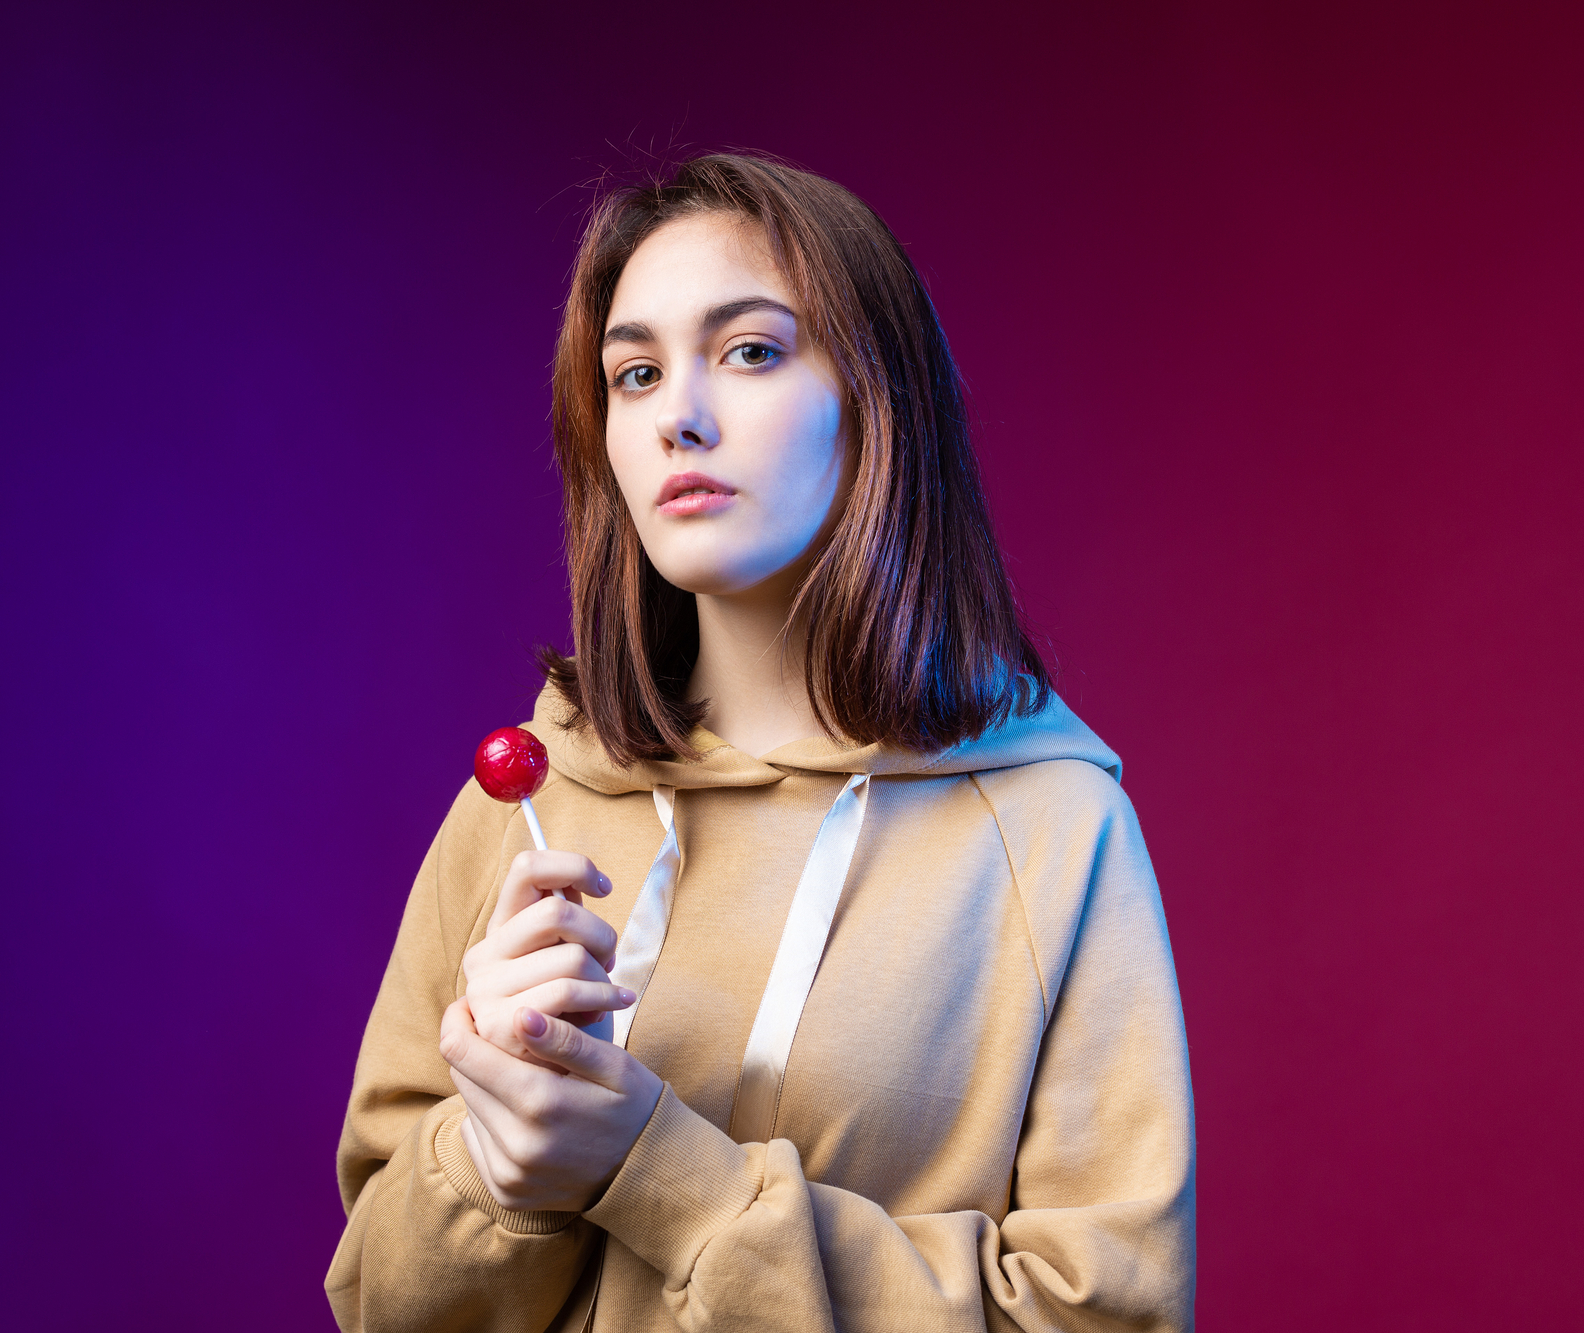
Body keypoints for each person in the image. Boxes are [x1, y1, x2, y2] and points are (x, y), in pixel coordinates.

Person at [325, 153, 1195, 1332]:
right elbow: (377, 1305)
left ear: (877, 398)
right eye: (633, 373)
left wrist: (658, 1170)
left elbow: (1108, 1313)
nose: (679, 414)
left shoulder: (1052, 827)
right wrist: (495, 1163)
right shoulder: (528, 803)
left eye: (749, 351)